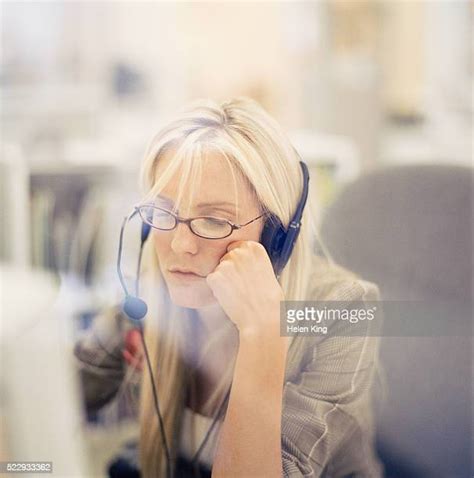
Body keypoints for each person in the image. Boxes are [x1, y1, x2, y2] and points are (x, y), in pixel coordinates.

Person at [74, 97, 383, 478]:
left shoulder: (343, 311)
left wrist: (262, 334)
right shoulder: (149, 296)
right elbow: (54, 392)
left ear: (276, 237)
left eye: (214, 220)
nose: (181, 245)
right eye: (163, 212)